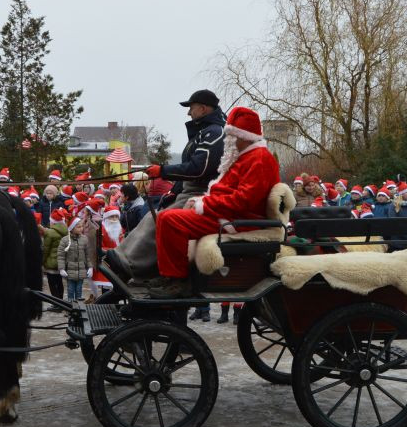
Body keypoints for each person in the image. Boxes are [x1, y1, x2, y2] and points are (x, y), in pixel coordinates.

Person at [147, 107, 280, 298]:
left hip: (238, 220)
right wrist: (203, 200)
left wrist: (206, 205)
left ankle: (178, 280)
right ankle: (170, 275)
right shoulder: (247, 158)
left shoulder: (259, 159)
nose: (228, 141)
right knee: (166, 217)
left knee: (169, 219)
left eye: (231, 136)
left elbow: (244, 201)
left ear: (243, 136)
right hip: (228, 215)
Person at [108, 89, 225, 281]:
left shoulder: (214, 133)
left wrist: (163, 171)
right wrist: (172, 192)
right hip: (190, 191)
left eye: (191, 108)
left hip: (203, 194)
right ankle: (125, 259)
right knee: (151, 217)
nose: (189, 113)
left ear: (203, 109)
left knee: (162, 219)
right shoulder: (205, 132)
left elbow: (199, 168)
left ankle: (132, 266)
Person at [57, 217, 91, 303]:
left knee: (79, 290)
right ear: (72, 228)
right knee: (70, 290)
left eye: (81, 226)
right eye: (78, 227)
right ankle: (71, 306)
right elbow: (61, 255)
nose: (81, 228)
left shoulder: (84, 239)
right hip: (70, 271)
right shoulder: (65, 240)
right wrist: (61, 268)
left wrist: (90, 267)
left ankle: (79, 307)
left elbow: (88, 255)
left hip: (81, 271)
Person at [41, 208, 69, 310]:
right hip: (62, 262)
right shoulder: (67, 230)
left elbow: (45, 250)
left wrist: (42, 261)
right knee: (59, 282)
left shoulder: (50, 233)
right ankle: (60, 301)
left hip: (51, 263)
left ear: (52, 221)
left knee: (52, 284)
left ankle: (56, 304)